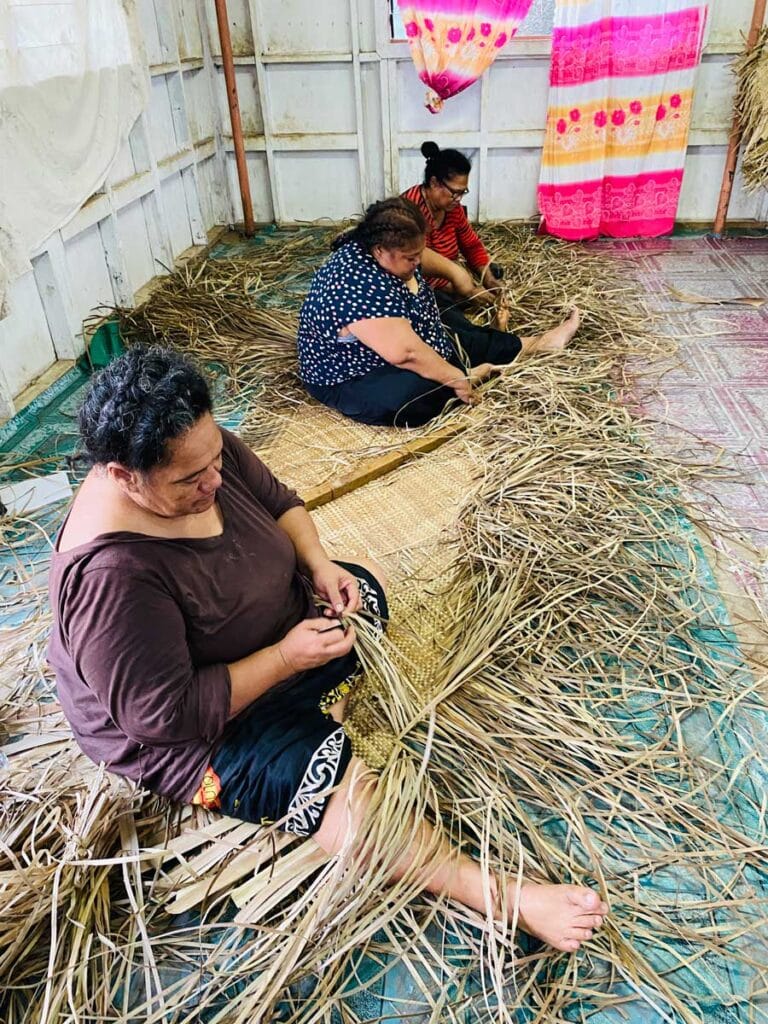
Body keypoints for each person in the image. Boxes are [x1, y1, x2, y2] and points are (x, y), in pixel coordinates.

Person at [48, 345, 607, 953]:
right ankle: (499, 894)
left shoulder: (199, 448)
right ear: (125, 477)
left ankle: (318, 705)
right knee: (343, 796)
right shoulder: (112, 577)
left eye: (215, 459)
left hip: (280, 634)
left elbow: (280, 501)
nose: (214, 480)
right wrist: (286, 658)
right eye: (190, 479)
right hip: (206, 729)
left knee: (361, 585)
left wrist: (317, 566)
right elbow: (161, 716)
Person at [298, 197, 580, 427]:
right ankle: (470, 373)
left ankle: (537, 345)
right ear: (381, 250)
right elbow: (404, 353)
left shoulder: (381, 248)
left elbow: (420, 257)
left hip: (395, 335)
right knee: (411, 398)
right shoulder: (356, 287)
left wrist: (456, 273)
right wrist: (458, 379)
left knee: (453, 332)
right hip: (352, 374)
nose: (418, 261)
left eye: (419, 251)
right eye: (411, 258)